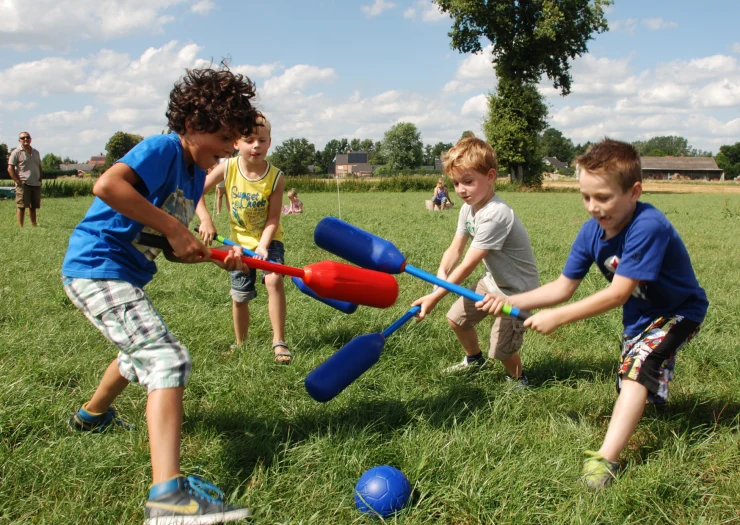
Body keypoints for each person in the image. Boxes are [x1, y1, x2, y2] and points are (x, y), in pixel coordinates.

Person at [61, 66, 260, 524]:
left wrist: (210, 254)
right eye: (226, 137)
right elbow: (107, 185)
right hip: (96, 268)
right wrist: (174, 225)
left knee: (137, 353)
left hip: (123, 273)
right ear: (193, 124)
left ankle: (92, 416)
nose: (230, 149)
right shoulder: (163, 148)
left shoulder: (193, 175)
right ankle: (169, 501)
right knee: (165, 358)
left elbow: (168, 245)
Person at [477, 138, 708, 489]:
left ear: (634, 192)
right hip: (641, 318)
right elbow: (561, 287)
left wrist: (558, 317)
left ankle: (605, 461)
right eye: (585, 197)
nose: (593, 207)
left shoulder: (648, 226)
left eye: (603, 197)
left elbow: (617, 294)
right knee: (632, 377)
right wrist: (515, 300)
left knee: (638, 369)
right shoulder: (591, 233)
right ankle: (654, 392)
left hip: (680, 311)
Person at [412, 137, 539, 384]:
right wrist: (440, 277)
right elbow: (454, 250)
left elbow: (468, 263)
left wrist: (435, 297)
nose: (460, 190)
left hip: (517, 290)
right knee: (457, 319)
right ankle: (474, 360)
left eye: (468, 182)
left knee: (501, 349)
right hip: (493, 282)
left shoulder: (495, 214)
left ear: (490, 176)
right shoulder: (467, 209)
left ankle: (518, 380)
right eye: (456, 183)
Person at [196, 116, 292, 364]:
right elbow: (195, 192)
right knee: (240, 296)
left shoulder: (276, 177)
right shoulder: (227, 168)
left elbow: (273, 219)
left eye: (261, 140)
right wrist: (206, 219)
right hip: (236, 244)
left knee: (274, 280)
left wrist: (262, 245)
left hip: (268, 241)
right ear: (237, 142)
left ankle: (279, 342)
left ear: (270, 142)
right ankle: (240, 344)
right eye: (249, 140)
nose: (256, 146)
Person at [7, 131, 43, 227]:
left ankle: (34, 225)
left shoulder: (36, 152)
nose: (25, 139)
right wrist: (18, 181)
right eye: (23, 138)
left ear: (30, 139)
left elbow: (39, 166)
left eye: (27, 137)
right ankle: (20, 227)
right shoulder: (16, 152)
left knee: (33, 206)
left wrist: (40, 179)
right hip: (23, 183)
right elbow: (10, 168)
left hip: (35, 183)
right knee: (21, 206)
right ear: (20, 140)